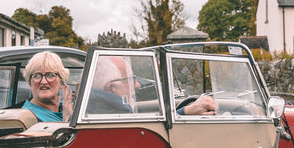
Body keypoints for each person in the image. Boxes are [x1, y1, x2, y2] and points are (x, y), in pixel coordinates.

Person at [88, 55, 216, 115]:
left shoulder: (94, 108)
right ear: (112, 89)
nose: (137, 85)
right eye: (131, 79)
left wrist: (185, 111)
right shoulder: (117, 115)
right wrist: (186, 111)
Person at [21, 51, 73, 122]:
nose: (43, 82)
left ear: (62, 81)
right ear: (30, 82)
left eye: (50, 75)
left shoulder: (68, 107)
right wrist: (67, 119)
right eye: (36, 76)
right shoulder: (27, 117)